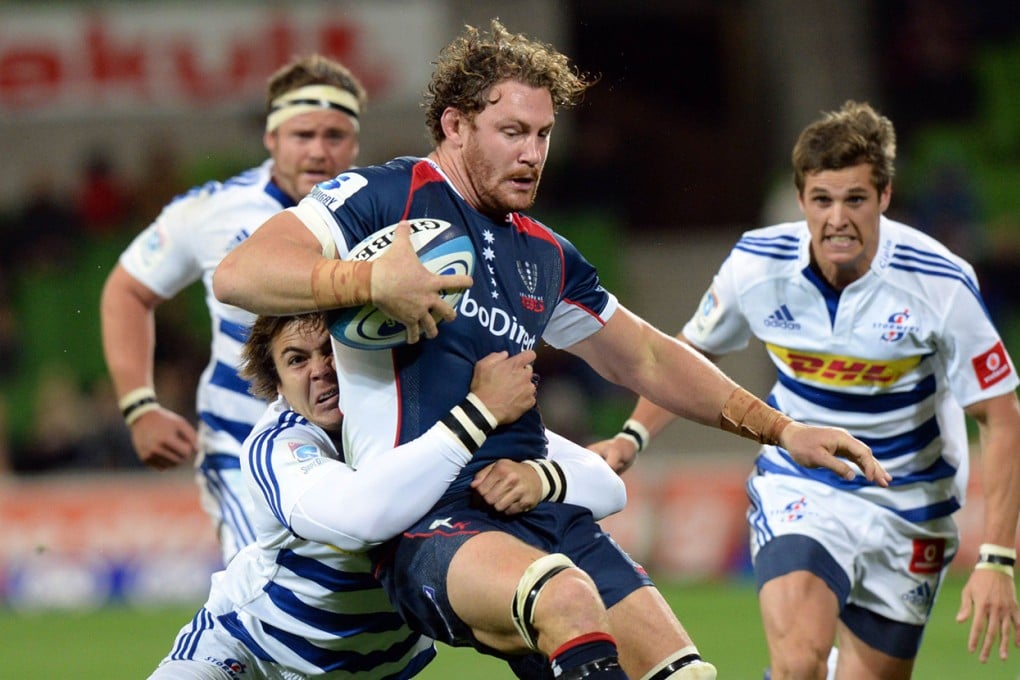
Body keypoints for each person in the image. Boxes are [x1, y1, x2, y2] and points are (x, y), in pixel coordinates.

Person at [213, 21, 890, 679]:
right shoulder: (386, 199)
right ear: (454, 126)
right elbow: (239, 274)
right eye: (511, 133)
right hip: (430, 525)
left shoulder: (543, 254)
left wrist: (782, 428)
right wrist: (365, 279)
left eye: (541, 134)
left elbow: (646, 359)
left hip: (539, 510)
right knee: (563, 599)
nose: (533, 153)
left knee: (683, 670)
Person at [590, 100, 1020, 679]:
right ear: (800, 200)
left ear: (885, 198)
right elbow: (684, 355)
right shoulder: (757, 266)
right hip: (804, 480)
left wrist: (997, 557)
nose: (837, 218)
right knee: (798, 663)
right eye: (822, 200)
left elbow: (1000, 415)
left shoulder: (939, 283)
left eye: (855, 199)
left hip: (911, 503)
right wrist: (632, 437)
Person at [100, 54, 467, 565]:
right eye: (302, 135)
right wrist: (140, 405)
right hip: (243, 442)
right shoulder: (212, 211)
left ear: (355, 143)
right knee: (273, 597)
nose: (319, 151)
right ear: (271, 139)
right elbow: (127, 290)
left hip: (364, 442)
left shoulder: (388, 211)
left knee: (379, 617)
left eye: (335, 135)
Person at [150, 311, 629, 679]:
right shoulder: (277, 445)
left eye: (331, 350)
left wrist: (540, 478)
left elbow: (606, 485)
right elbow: (361, 519)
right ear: (276, 385)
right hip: (252, 650)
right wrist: (478, 414)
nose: (321, 370)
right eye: (297, 360)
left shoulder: (419, 415)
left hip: (381, 670)